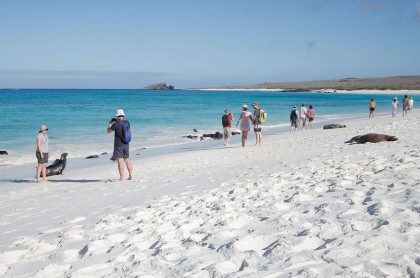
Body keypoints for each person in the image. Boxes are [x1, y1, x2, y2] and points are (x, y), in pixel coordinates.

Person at [107, 109, 133, 181]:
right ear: (123, 116)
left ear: (117, 116)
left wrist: (110, 123)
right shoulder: (127, 122)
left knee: (120, 161)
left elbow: (108, 131)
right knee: (127, 159)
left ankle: (122, 178)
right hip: (126, 143)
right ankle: (130, 176)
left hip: (119, 145)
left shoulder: (116, 124)